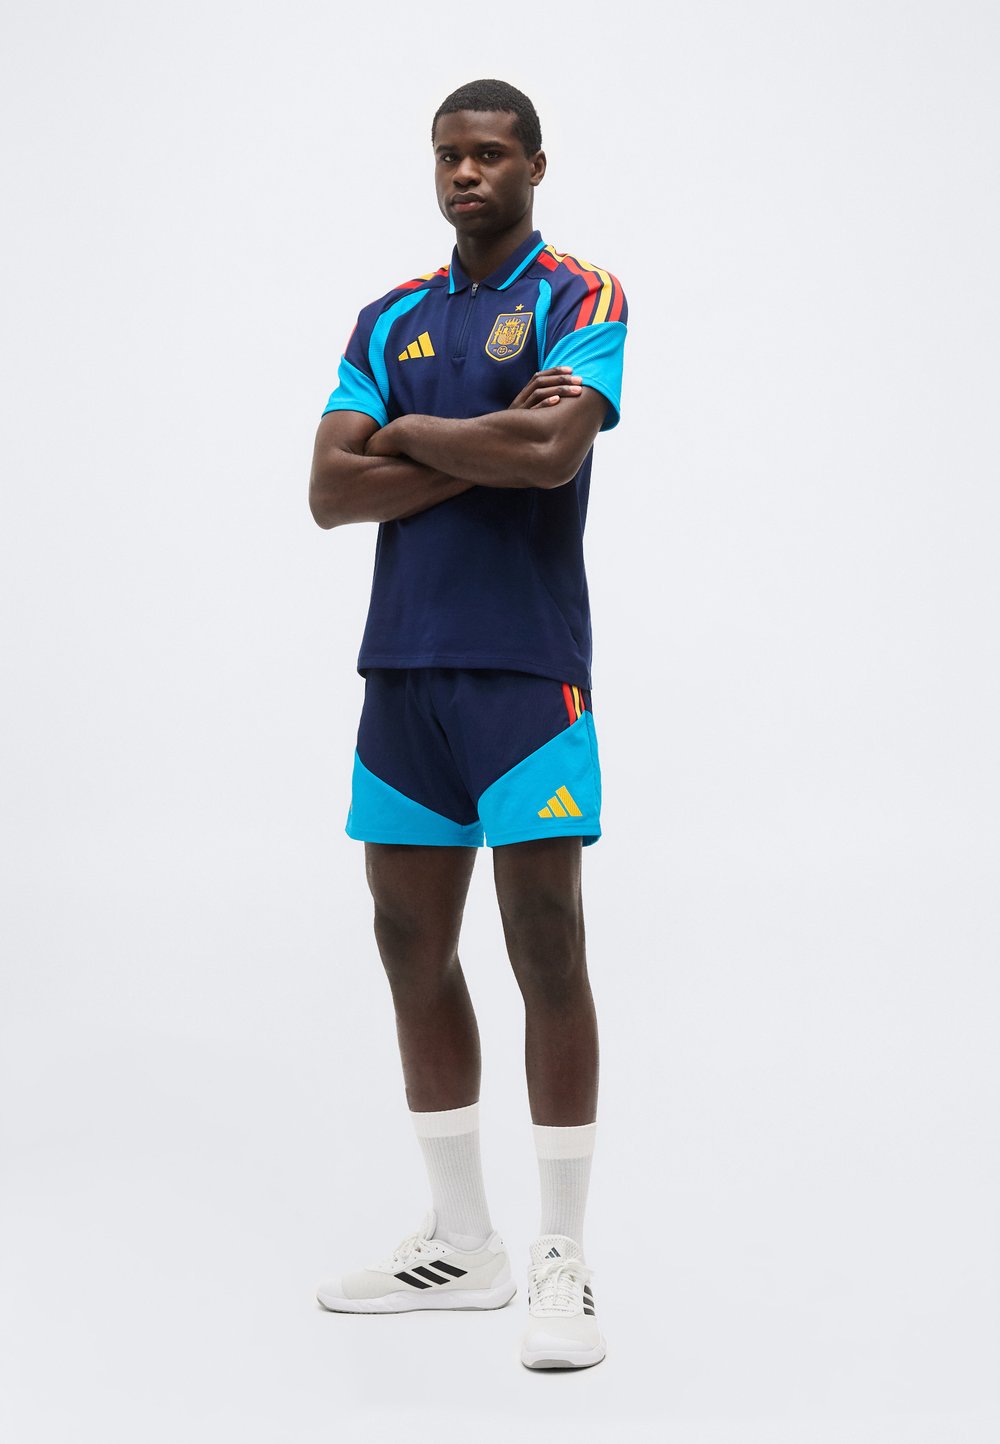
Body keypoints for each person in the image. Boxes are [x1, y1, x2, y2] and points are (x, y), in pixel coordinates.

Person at [309, 78, 627, 1371]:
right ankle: (462, 1240)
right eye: (449, 154)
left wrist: (411, 437)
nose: (466, 172)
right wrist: (482, 442)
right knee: (410, 946)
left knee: (546, 944)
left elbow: (552, 457)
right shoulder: (387, 315)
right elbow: (331, 491)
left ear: (536, 164)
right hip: (403, 675)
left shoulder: (580, 296)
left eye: (491, 153)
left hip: (527, 673)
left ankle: (561, 1256)